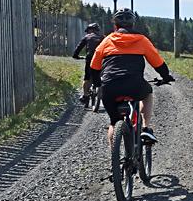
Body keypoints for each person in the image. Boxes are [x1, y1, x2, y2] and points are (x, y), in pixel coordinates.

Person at [89, 9, 174, 148]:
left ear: (115, 26)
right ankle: (146, 128)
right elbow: (158, 63)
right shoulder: (141, 40)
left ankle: (115, 161)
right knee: (148, 92)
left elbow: (94, 66)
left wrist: (98, 84)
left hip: (110, 87)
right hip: (135, 85)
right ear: (133, 25)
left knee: (113, 122)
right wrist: (166, 77)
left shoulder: (107, 40)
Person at [72, 22, 105, 105]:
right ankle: (101, 89)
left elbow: (78, 48)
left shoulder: (87, 37)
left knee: (87, 78)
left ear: (90, 30)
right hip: (102, 59)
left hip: (90, 59)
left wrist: (76, 56)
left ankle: (85, 95)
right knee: (101, 74)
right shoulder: (103, 38)